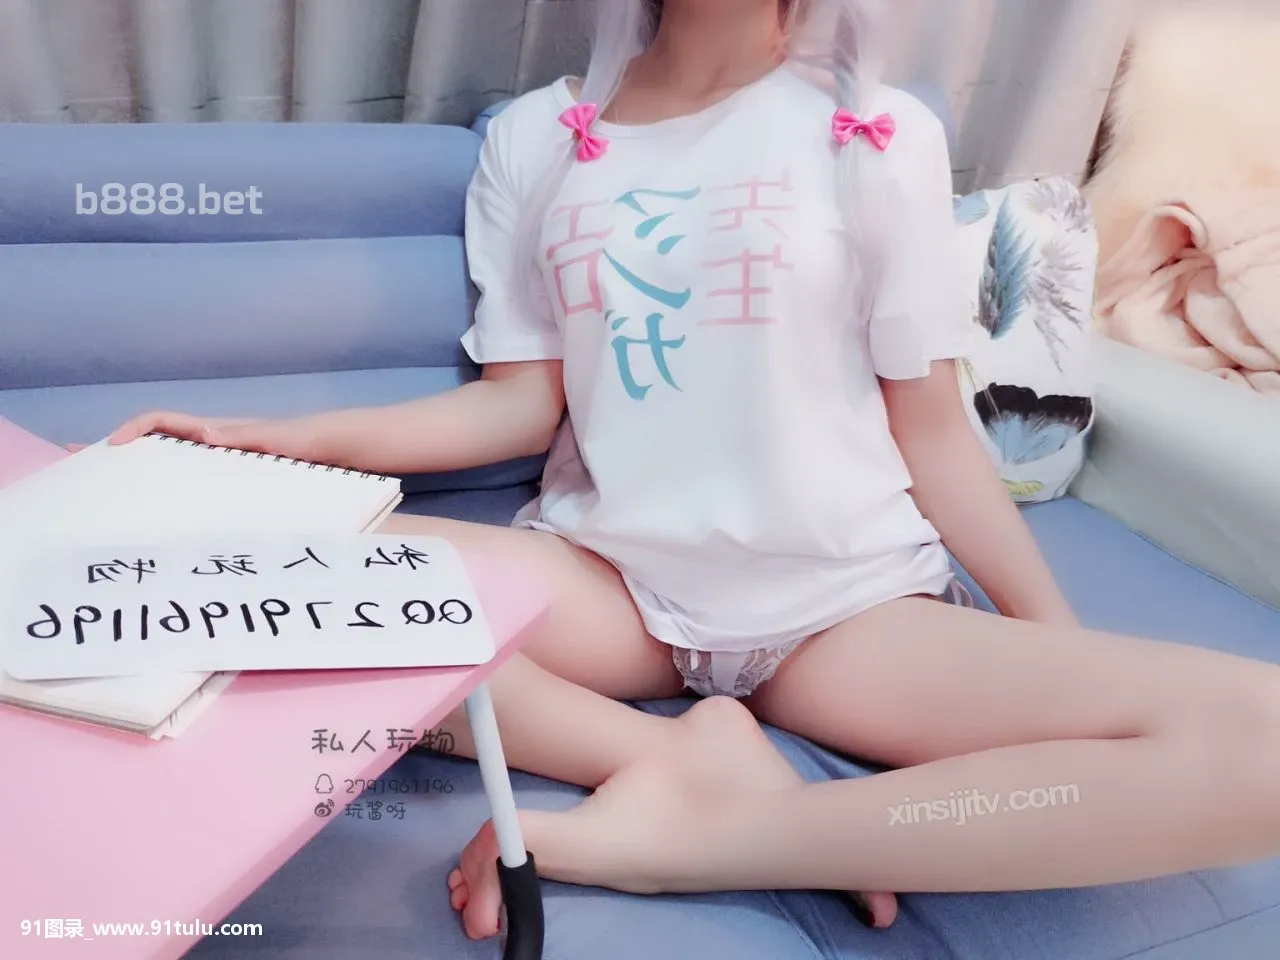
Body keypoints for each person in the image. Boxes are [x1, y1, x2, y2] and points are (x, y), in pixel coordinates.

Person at [106, 0, 1280, 944]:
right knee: (239, 566)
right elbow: (517, 404)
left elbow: (927, 429)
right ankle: (667, 757)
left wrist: (1055, 659)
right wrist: (276, 443)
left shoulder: (875, 131)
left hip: (844, 608)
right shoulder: (537, 138)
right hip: (607, 584)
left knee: (1262, 743)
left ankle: (710, 842)